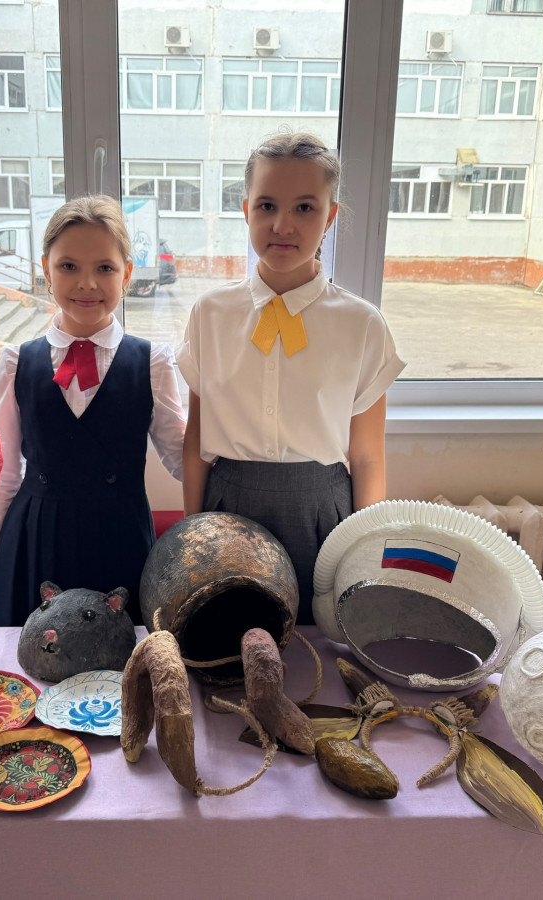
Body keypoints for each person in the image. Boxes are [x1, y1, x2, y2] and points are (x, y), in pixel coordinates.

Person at [178, 132, 404, 625]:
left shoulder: (362, 324)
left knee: (316, 643)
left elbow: (367, 457)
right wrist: (192, 533)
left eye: (304, 207)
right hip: (228, 510)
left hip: (322, 515)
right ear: (246, 211)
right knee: (227, 641)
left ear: (331, 216)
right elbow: (196, 440)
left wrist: (366, 555)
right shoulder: (210, 313)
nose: (282, 225)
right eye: (267, 206)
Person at [0, 195, 185, 626]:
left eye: (104, 268)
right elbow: (2, 479)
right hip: (35, 544)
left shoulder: (153, 362)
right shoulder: (16, 363)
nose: (87, 283)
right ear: (46, 270)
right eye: (69, 266)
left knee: (122, 662)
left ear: (126, 274)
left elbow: (182, 459)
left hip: (120, 544)